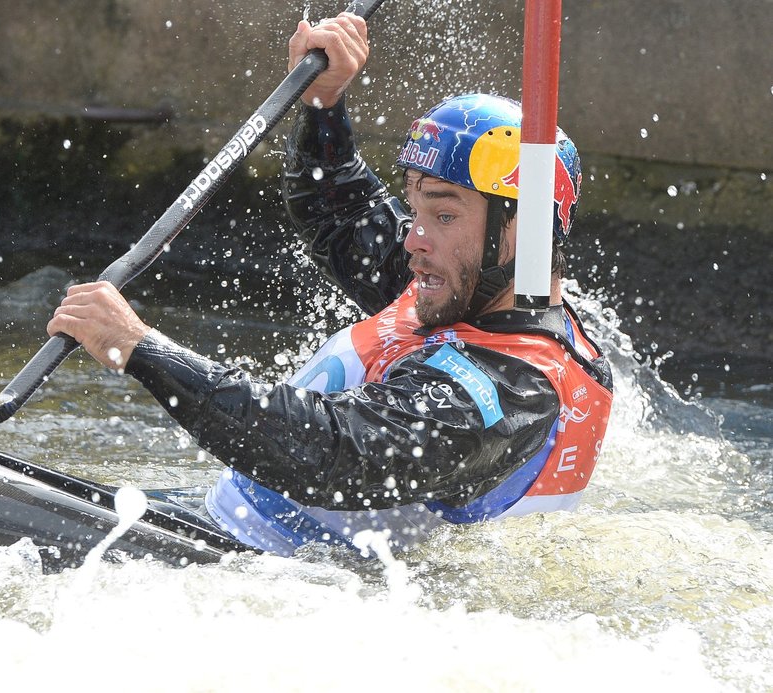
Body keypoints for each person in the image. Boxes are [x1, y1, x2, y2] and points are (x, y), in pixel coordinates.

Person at [47, 13, 613, 556]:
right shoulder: (462, 286)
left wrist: (143, 349)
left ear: (519, 232)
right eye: (414, 206)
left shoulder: (509, 393)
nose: (413, 239)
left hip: (267, 576)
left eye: (443, 215)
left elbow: (332, 452)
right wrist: (324, 102)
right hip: (214, 525)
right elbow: (341, 210)